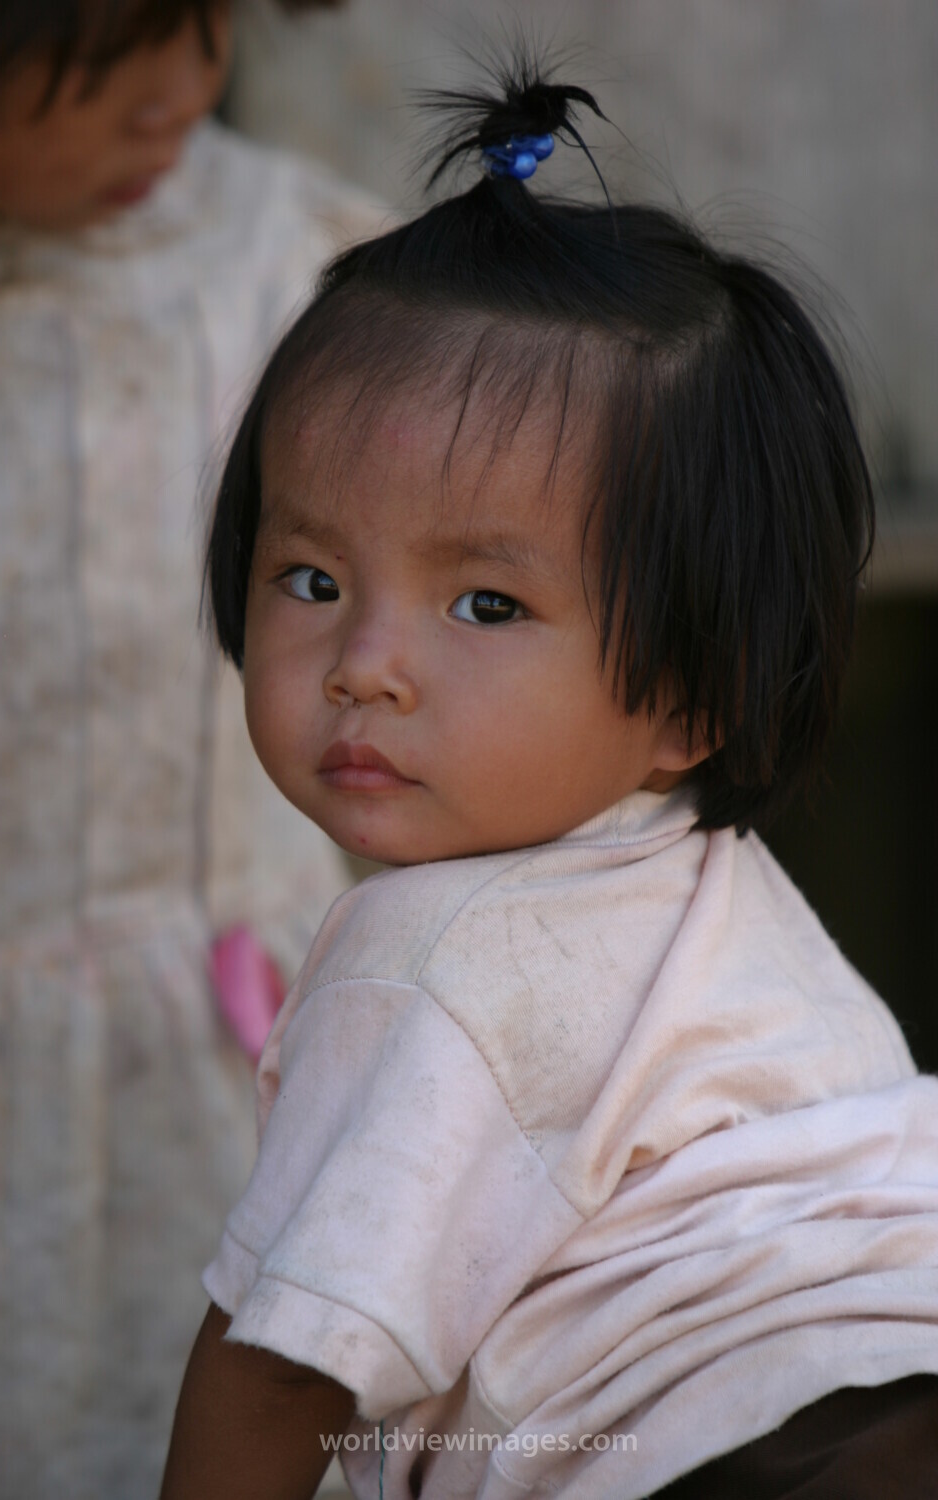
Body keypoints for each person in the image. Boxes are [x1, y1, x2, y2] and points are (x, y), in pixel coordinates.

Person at [160, 57, 938, 1500]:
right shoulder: (703, 878)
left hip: (707, 1445)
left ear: (692, 696)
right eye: (314, 578)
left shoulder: (427, 961)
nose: (365, 664)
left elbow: (280, 1371)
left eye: (487, 607)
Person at [0, 3, 377, 1498]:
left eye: (200, 25)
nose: (175, 95)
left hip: (249, 1060)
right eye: (96, 56)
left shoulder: (297, 271)